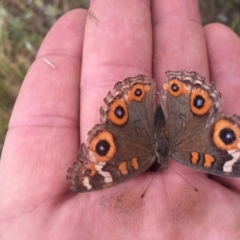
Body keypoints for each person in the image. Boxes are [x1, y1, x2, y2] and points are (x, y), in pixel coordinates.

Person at [1, 0, 240, 239]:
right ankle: (178, 92)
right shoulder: (183, 155)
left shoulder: (142, 158)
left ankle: (145, 95)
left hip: (135, 118)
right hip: (186, 118)